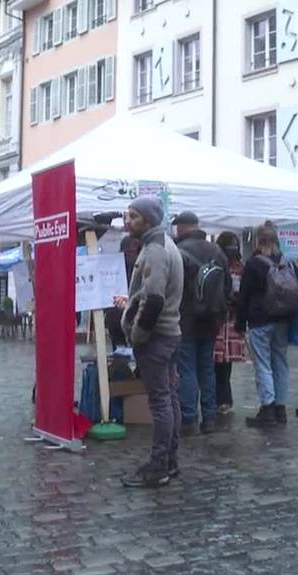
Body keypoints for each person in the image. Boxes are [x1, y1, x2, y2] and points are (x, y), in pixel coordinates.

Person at [119, 196, 184, 488]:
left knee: (160, 402)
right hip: (168, 333)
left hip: (158, 336)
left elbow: (154, 298)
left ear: (147, 219)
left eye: (133, 216)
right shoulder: (162, 244)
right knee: (168, 398)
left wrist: (138, 334)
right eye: (128, 215)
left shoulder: (156, 249)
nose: (127, 221)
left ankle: (159, 465)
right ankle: (169, 460)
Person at [236, 222, 298, 428]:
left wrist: (240, 323)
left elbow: (244, 296)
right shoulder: (287, 263)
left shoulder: (253, 264)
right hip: (284, 320)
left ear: (258, 240)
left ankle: (268, 407)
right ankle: (281, 408)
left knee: (263, 365)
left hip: (260, 321)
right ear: (276, 240)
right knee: (281, 363)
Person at [172, 212, 230, 436]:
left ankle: (188, 418)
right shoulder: (216, 251)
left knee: (186, 369)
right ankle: (210, 418)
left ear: (181, 228)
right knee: (207, 368)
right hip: (212, 320)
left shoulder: (178, 251)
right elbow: (226, 287)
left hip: (186, 319)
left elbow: (174, 286)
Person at [213, 232, 248, 414]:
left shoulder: (215, 265)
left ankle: (220, 399)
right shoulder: (239, 268)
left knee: (217, 363)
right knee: (224, 364)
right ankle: (224, 399)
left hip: (220, 320)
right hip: (232, 320)